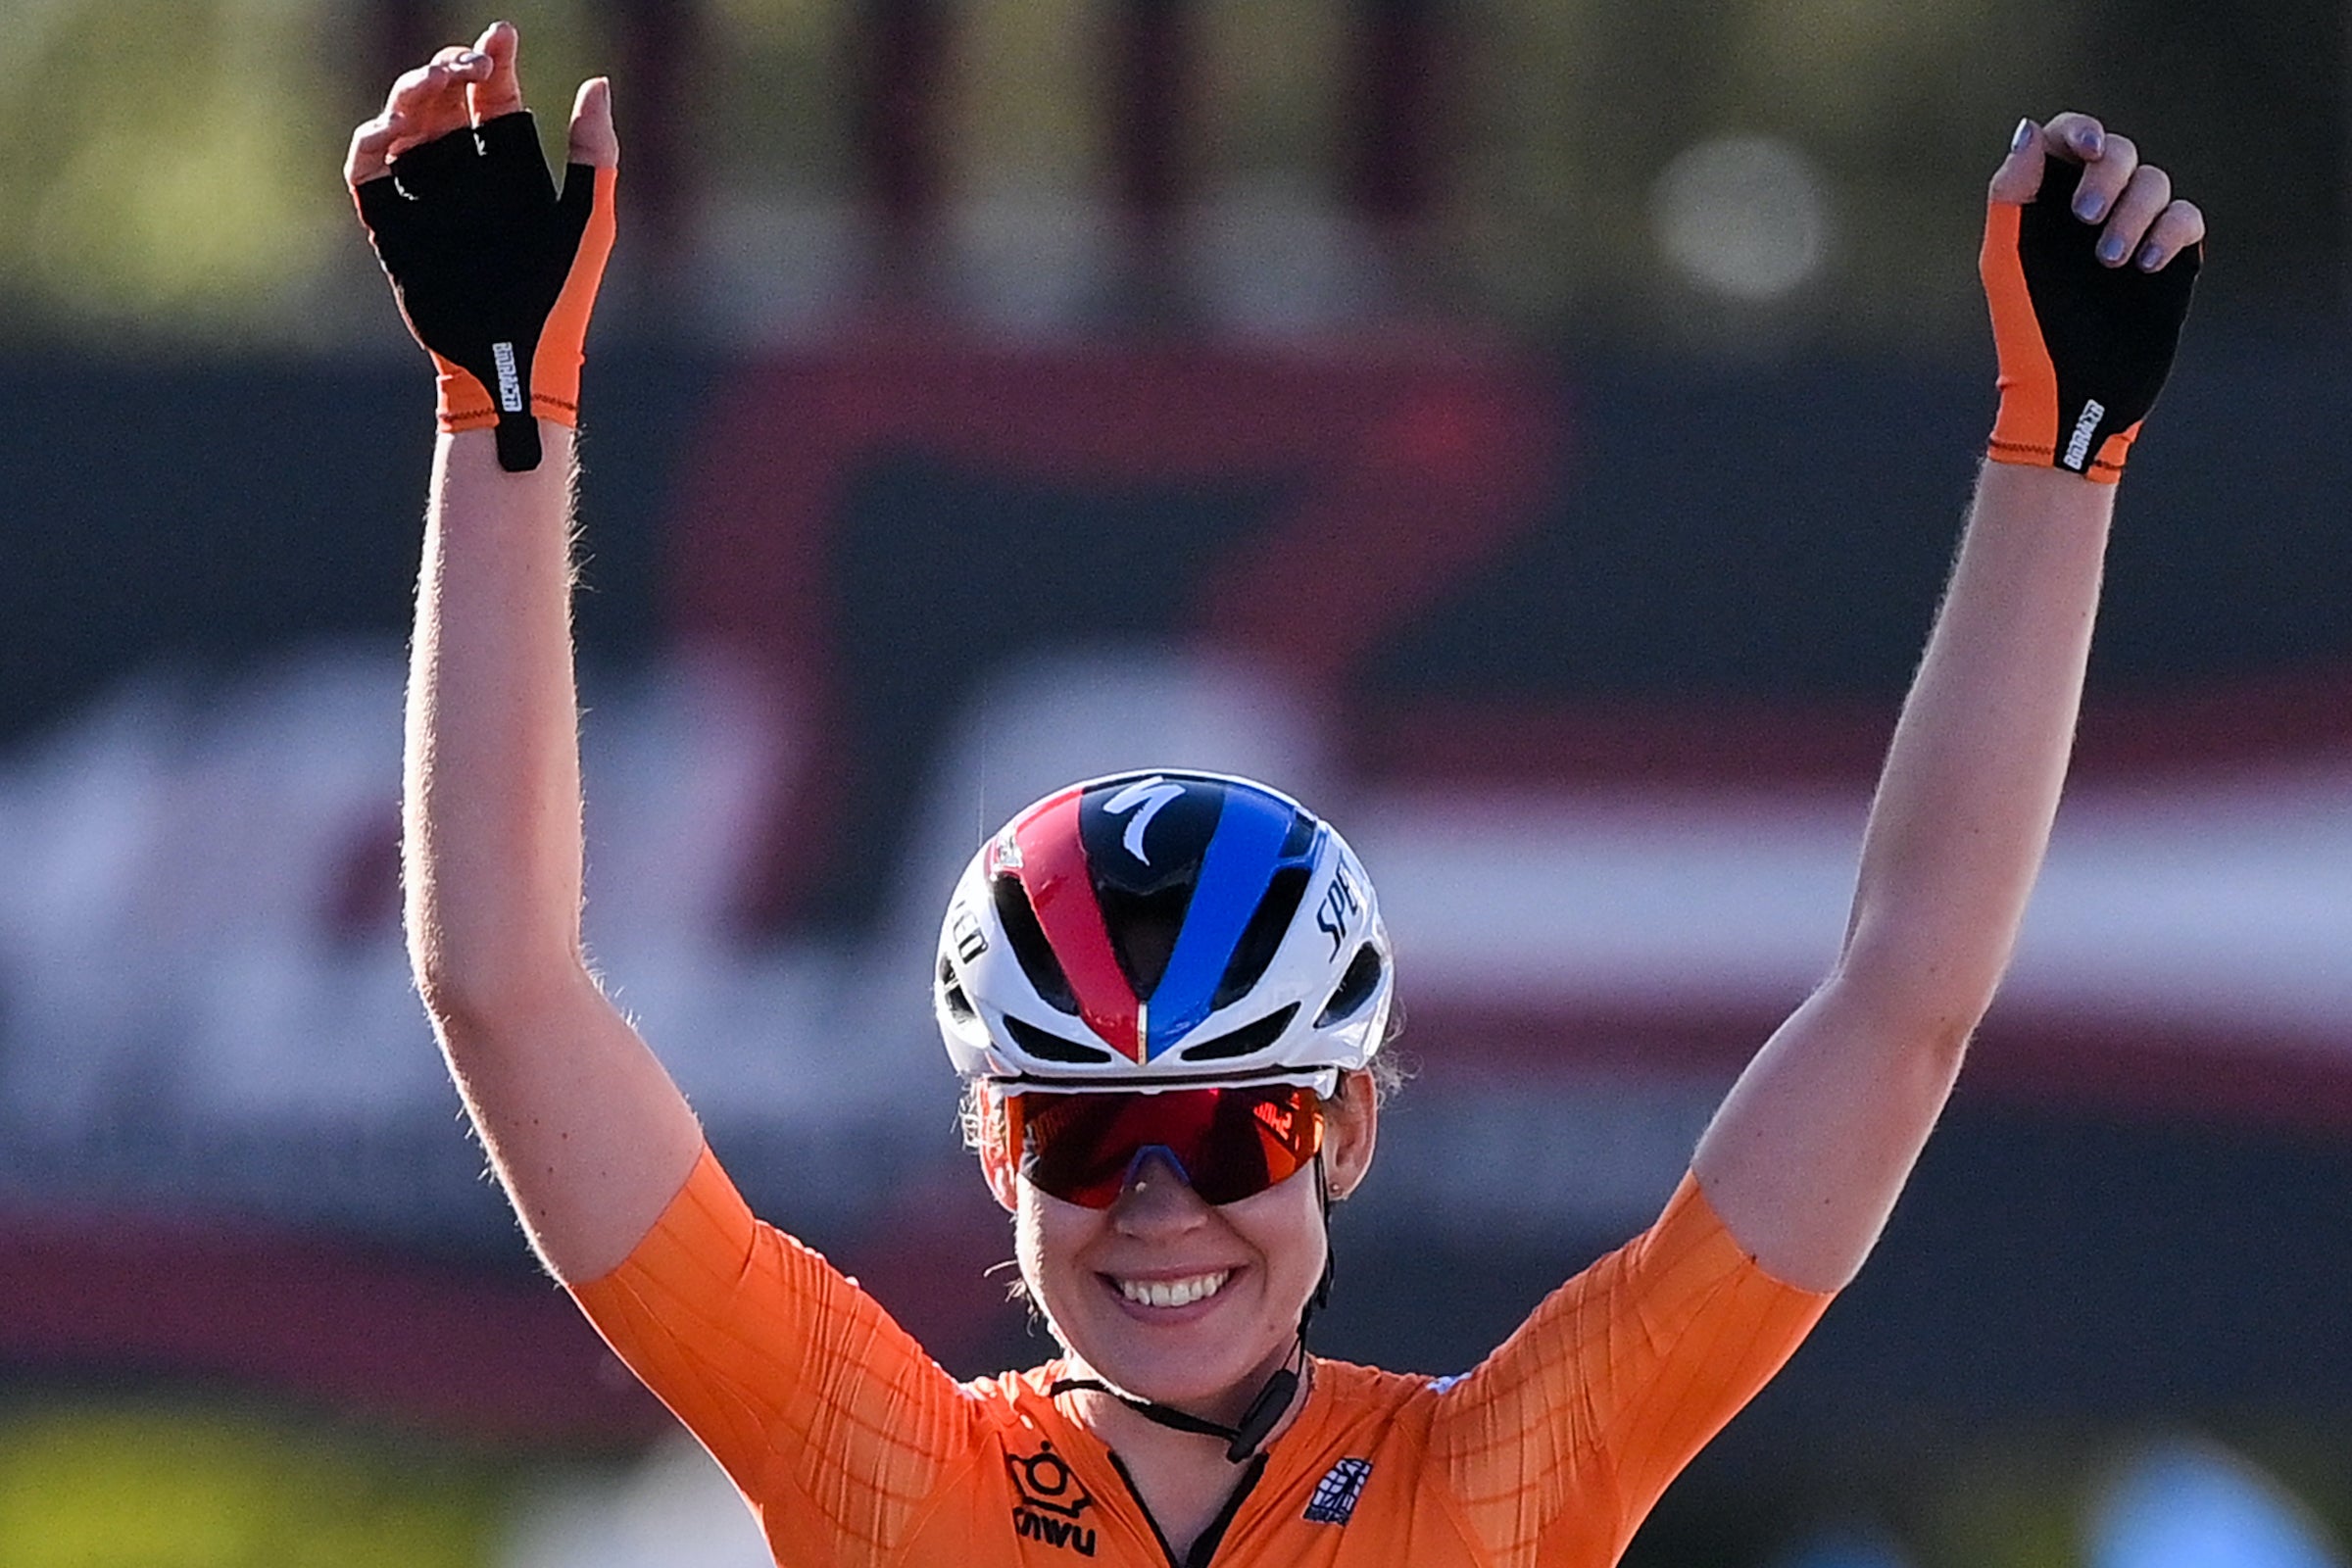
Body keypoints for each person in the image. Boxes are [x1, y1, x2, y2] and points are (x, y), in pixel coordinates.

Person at [347, 22, 2202, 1568]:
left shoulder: (1494, 1494)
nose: (1159, 1204)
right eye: (1085, 1137)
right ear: (995, 1151)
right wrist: (500, 411)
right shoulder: (891, 1480)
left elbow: (1907, 999)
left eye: (1233, 1127)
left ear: (1346, 1130)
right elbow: (500, 988)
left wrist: (2064, 453)